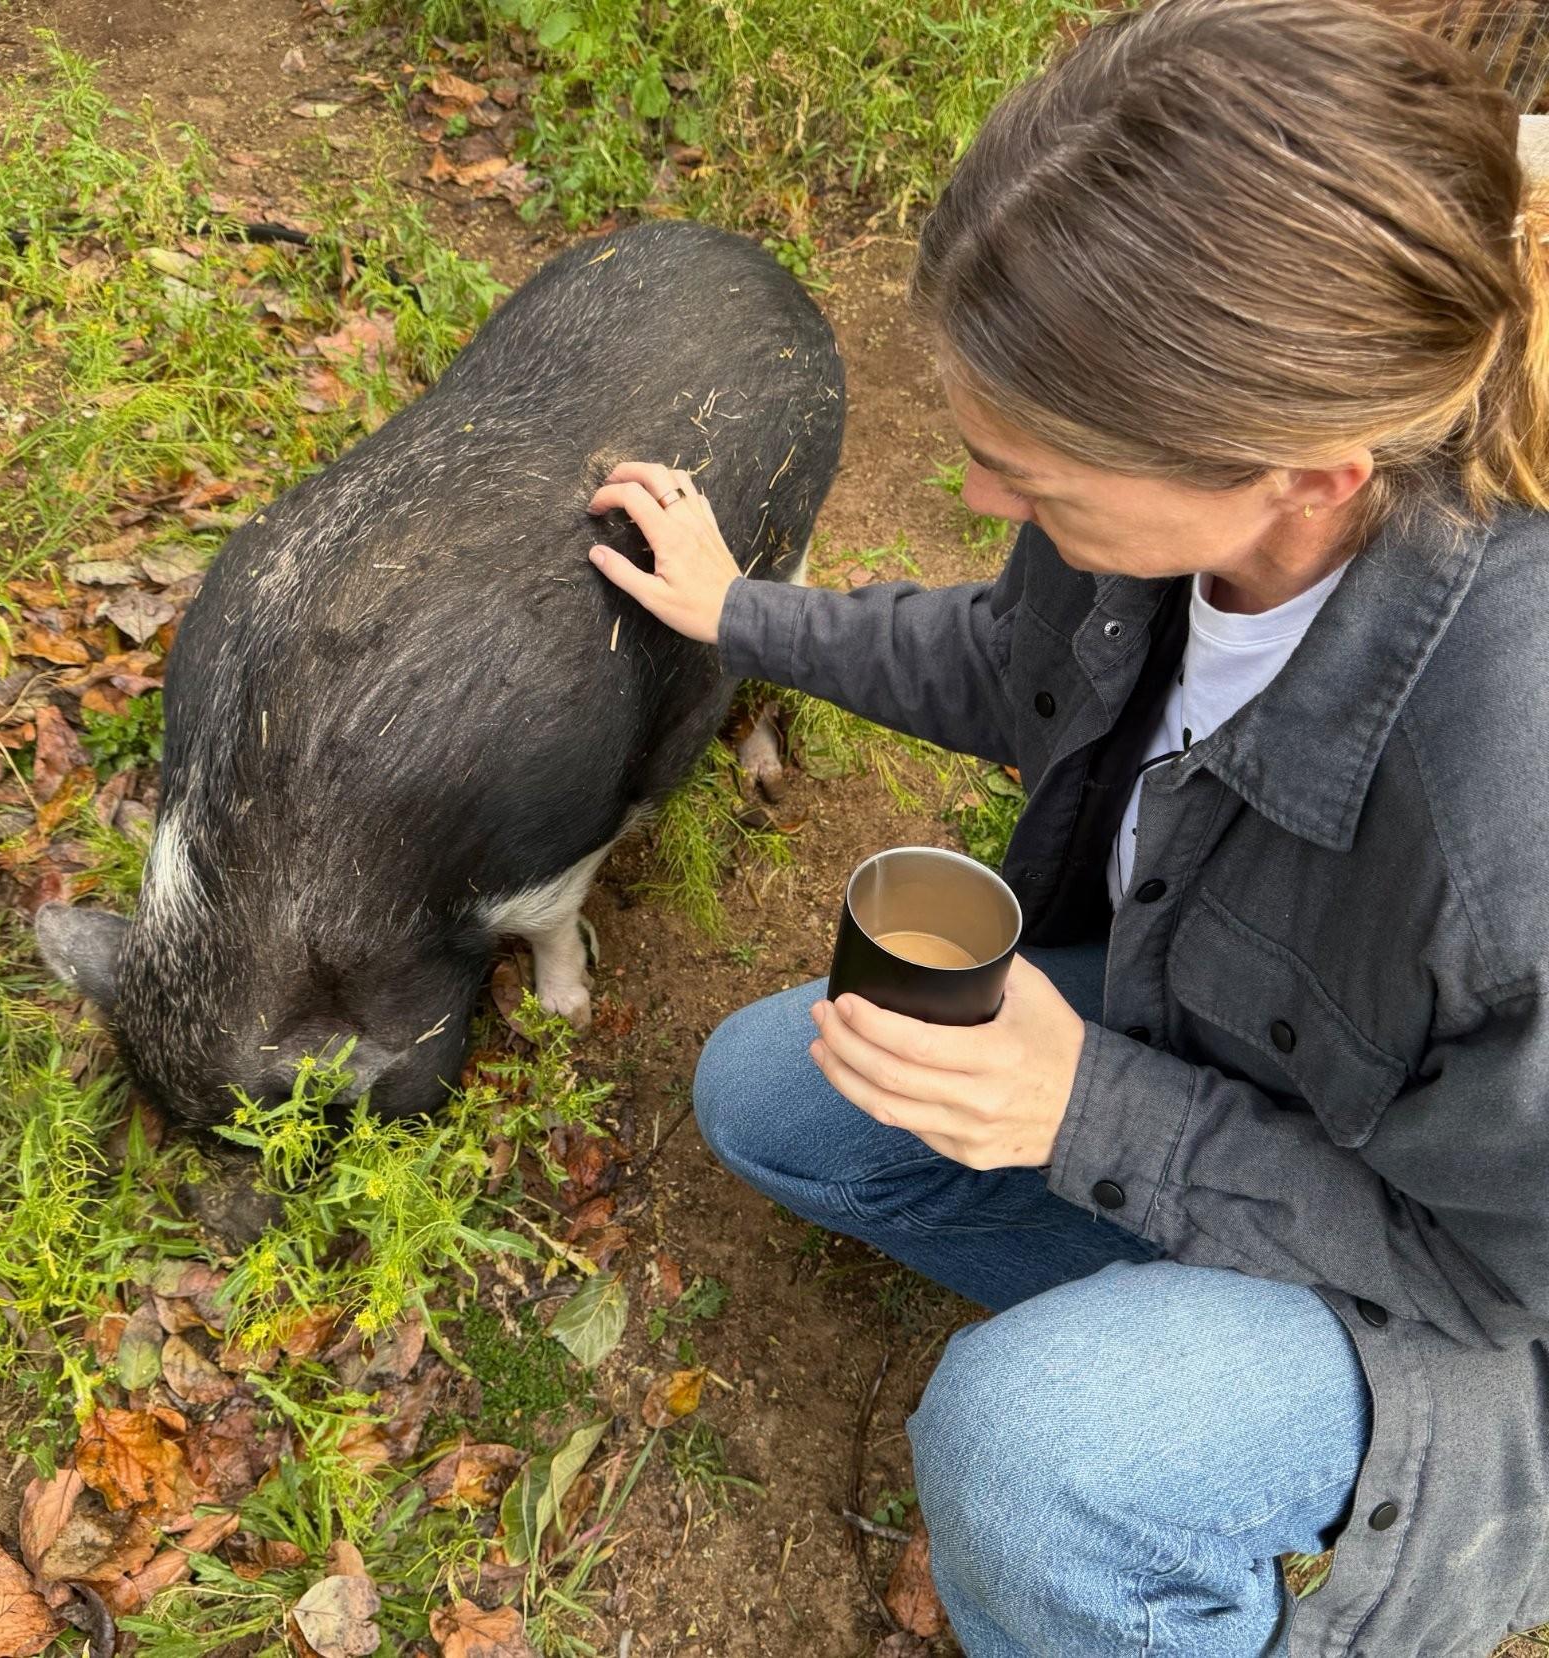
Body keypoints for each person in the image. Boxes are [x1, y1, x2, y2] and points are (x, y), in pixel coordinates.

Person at [584, 1, 1549, 1653]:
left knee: (1034, 1454)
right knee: (779, 1096)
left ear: (1308, 472)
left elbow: (1499, 1272)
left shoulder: (1505, 811)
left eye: (1036, 479)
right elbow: (1006, 660)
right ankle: (1179, 1354)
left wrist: (1095, 1107)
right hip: (1266, 1071)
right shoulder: (1169, 514)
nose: (987, 504)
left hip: (1487, 1311)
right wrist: (737, 612)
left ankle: (1238, 1511)